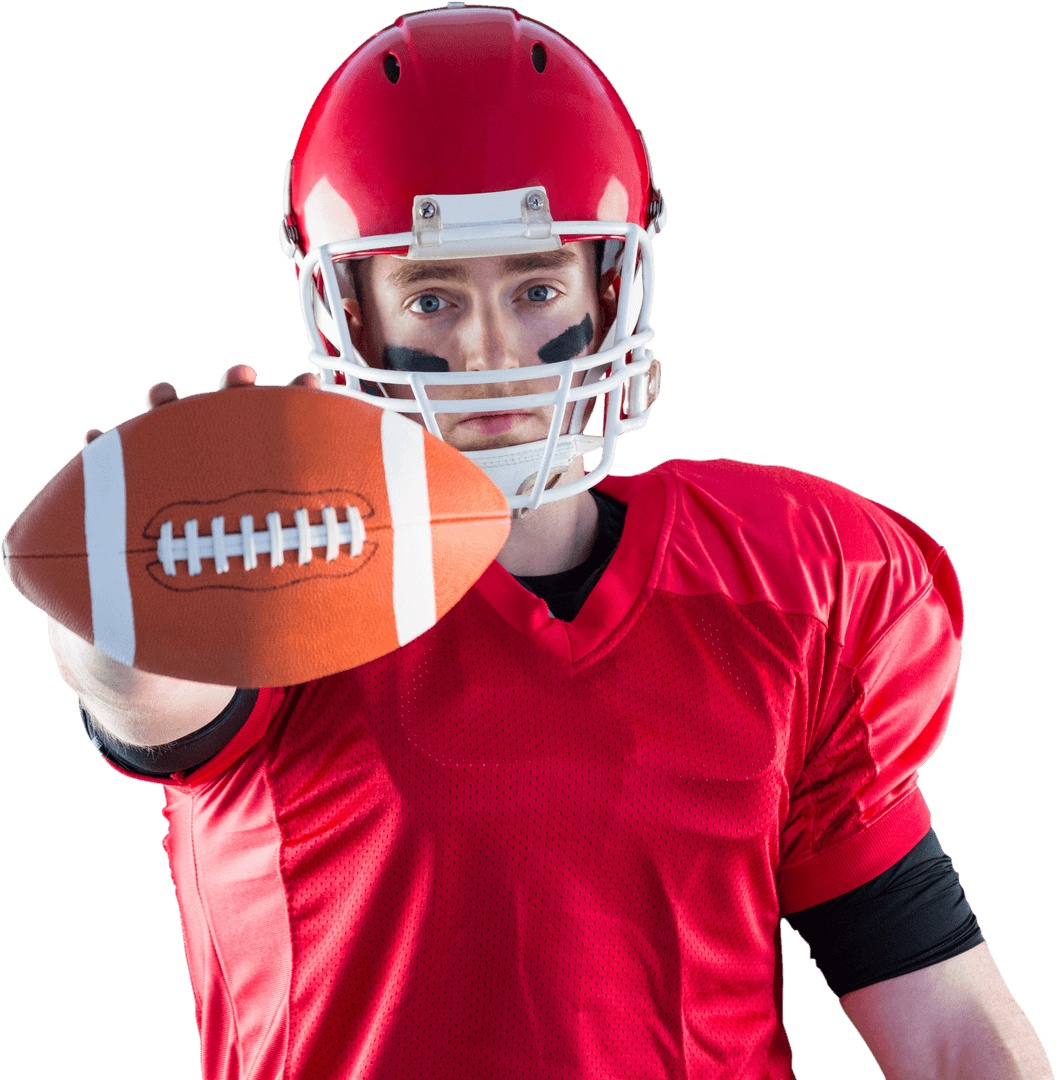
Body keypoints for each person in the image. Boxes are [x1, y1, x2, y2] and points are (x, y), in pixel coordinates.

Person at [47, 5, 1052, 1079]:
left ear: (609, 292)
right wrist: (134, 564)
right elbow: (138, 687)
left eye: (536, 291)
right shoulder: (282, 584)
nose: (489, 355)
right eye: (431, 299)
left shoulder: (789, 587)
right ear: (348, 314)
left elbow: (945, 1028)